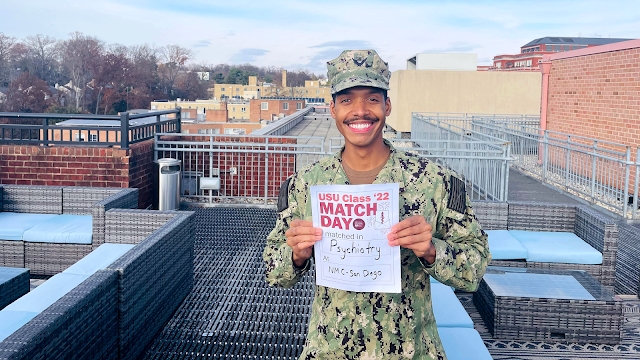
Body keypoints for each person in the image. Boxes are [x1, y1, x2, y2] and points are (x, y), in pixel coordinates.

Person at [263, 49, 491, 360]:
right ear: (332, 109)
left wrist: (432, 250)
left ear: (387, 106)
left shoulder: (436, 182)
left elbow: (475, 268)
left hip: (409, 351)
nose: (359, 110)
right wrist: (297, 254)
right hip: (330, 350)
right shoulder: (305, 185)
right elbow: (274, 271)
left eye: (372, 98)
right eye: (346, 100)